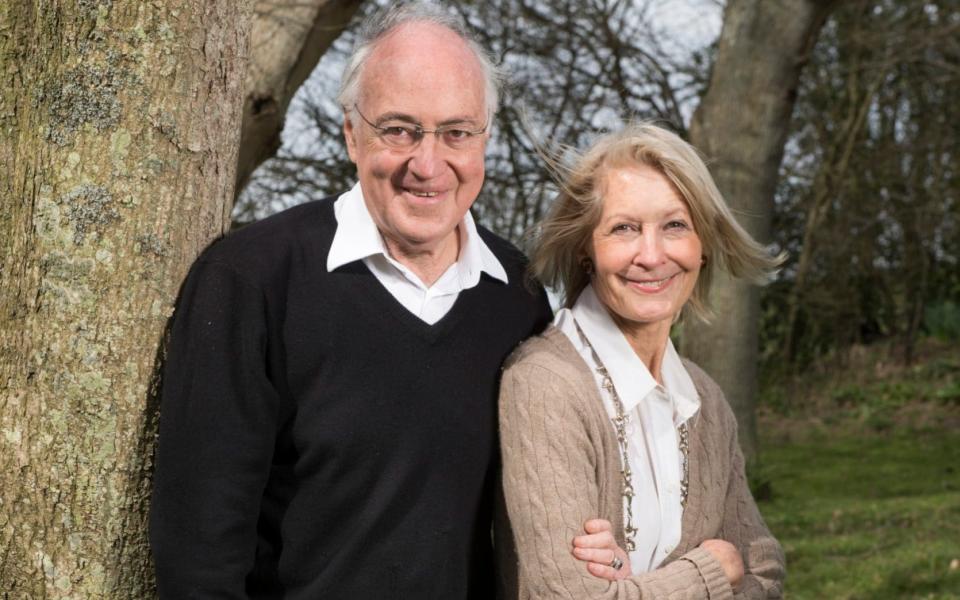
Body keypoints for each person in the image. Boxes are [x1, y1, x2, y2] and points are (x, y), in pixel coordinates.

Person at [149, 4, 554, 598]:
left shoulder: (517, 298)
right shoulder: (252, 278)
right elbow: (198, 549)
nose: (428, 162)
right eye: (399, 129)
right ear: (351, 134)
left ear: (484, 140)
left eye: (456, 133)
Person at [496, 122, 786, 599]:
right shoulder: (545, 385)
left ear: (703, 247)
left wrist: (637, 586)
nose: (651, 256)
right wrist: (714, 568)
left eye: (675, 226)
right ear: (587, 248)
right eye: (624, 229)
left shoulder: (704, 400)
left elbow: (767, 572)